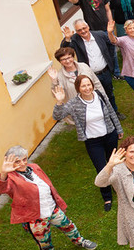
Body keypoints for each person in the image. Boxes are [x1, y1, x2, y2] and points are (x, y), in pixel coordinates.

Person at [0, 146, 97, 250]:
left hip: (52, 208)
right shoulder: (11, 178)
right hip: (35, 218)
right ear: (10, 163)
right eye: (17, 161)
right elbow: (0, 189)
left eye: (24, 159)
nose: (22, 163)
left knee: (69, 226)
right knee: (45, 242)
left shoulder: (35, 167)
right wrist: (4, 173)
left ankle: (79, 241)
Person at [52, 77, 123, 211]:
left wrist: (118, 129)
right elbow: (57, 116)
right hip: (93, 141)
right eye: (83, 86)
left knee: (114, 163)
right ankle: (107, 196)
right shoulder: (74, 103)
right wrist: (59, 101)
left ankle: (118, 187)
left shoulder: (100, 95)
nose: (87, 88)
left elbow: (111, 112)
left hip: (110, 135)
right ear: (78, 88)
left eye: (88, 85)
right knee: (102, 168)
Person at [61, 20, 120, 116]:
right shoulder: (75, 39)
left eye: (84, 28)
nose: (83, 31)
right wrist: (67, 39)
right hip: (89, 76)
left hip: (105, 72)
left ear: (88, 26)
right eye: (79, 30)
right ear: (76, 31)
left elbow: (111, 44)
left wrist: (110, 61)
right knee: (92, 96)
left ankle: (114, 112)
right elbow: (64, 51)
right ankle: (99, 114)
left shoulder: (100, 35)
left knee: (109, 93)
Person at [47, 47, 106, 119]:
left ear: (73, 57)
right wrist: (54, 81)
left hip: (95, 102)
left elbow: (96, 82)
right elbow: (56, 94)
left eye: (69, 57)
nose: (68, 61)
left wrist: (104, 97)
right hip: (79, 109)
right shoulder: (59, 76)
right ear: (60, 61)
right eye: (63, 59)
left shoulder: (84, 66)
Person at [107, 19, 134, 109]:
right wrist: (110, 32)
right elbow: (114, 41)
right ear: (126, 30)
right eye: (129, 28)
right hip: (131, 74)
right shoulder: (124, 41)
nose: (132, 30)